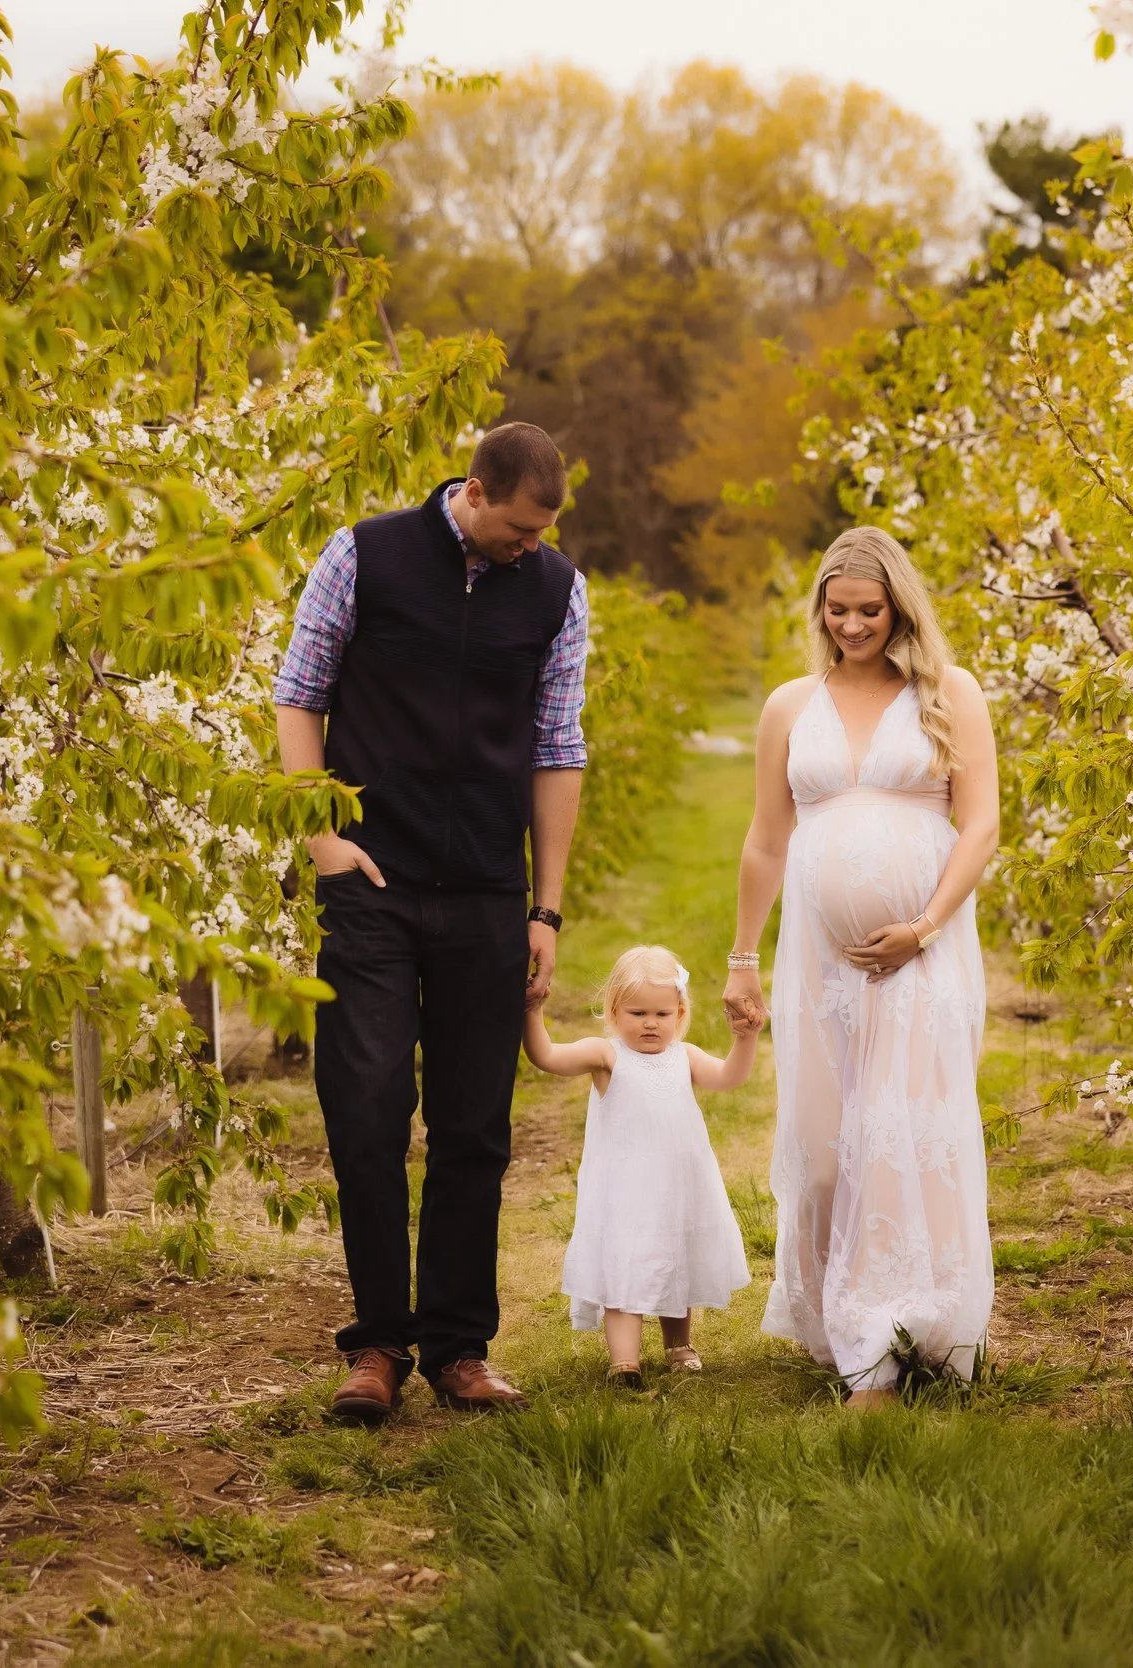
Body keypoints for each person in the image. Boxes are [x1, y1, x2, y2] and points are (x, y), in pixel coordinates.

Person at [271, 423, 588, 1422]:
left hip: (489, 891)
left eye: (546, 531)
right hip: (371, 880)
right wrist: (323, 840)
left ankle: (459, 1347)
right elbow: (299, 695)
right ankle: (376, 1344)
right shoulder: (363, 553)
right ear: (478, 491)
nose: (532, 546)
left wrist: (544, 905)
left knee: (472, 1127)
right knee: (364, 1109)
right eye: (522, 527)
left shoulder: (556, 590)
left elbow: (557, 744)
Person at [722, 527, 999, 1405]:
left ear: (899, 606)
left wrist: (922, 925)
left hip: (922, 953)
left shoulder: (948, 694)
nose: (852, 626)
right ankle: (842, 1312)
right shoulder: (788, 706)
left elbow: (981, 826)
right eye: (837, 611)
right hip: (820, 964)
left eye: (868, 610)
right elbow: (767, 841)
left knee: (903, 1137)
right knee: (827, 1151)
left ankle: (894, 1341)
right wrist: (741, 959)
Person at [524, 946, 757, 1388]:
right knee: (624, 1266)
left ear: (680, 1012)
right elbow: (548, 1058)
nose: (651, 1023)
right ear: (613, 1010)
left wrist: (743, 1039)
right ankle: (624, 1362)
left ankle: (678, 1344)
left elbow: (730, 1077)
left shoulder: (684, 1056)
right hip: (626, 1190)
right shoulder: (607, 1056)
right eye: (638, 1012)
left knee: (675, 1259)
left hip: (678, 1184)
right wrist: (533, 1013)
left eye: (662, 1013)